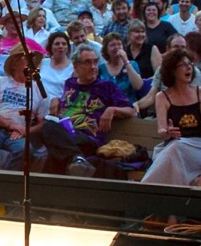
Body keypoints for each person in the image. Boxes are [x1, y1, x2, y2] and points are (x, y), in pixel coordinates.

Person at [39, 44, 137, 175]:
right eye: (87, 62)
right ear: (76, 66)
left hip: (88, 139)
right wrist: (56, 99)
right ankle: (77, 160)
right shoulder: (70, 83)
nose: (93, 67)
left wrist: (113, 109)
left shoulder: (106, 87)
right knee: (48, 127)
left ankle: (74, 164)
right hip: (66, 135)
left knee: (56, 153)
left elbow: (132, 111)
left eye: (95, 62)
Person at [139, 50, 201, 185]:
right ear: (173, 71)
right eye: (183, 65)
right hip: (174, 146)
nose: (189, 68)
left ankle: (146, 188)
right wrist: (168, 132)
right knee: (175, 148)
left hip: (200, 148)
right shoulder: (162, 96)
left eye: (190, 64)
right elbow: (162, 132)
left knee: (176, 148)